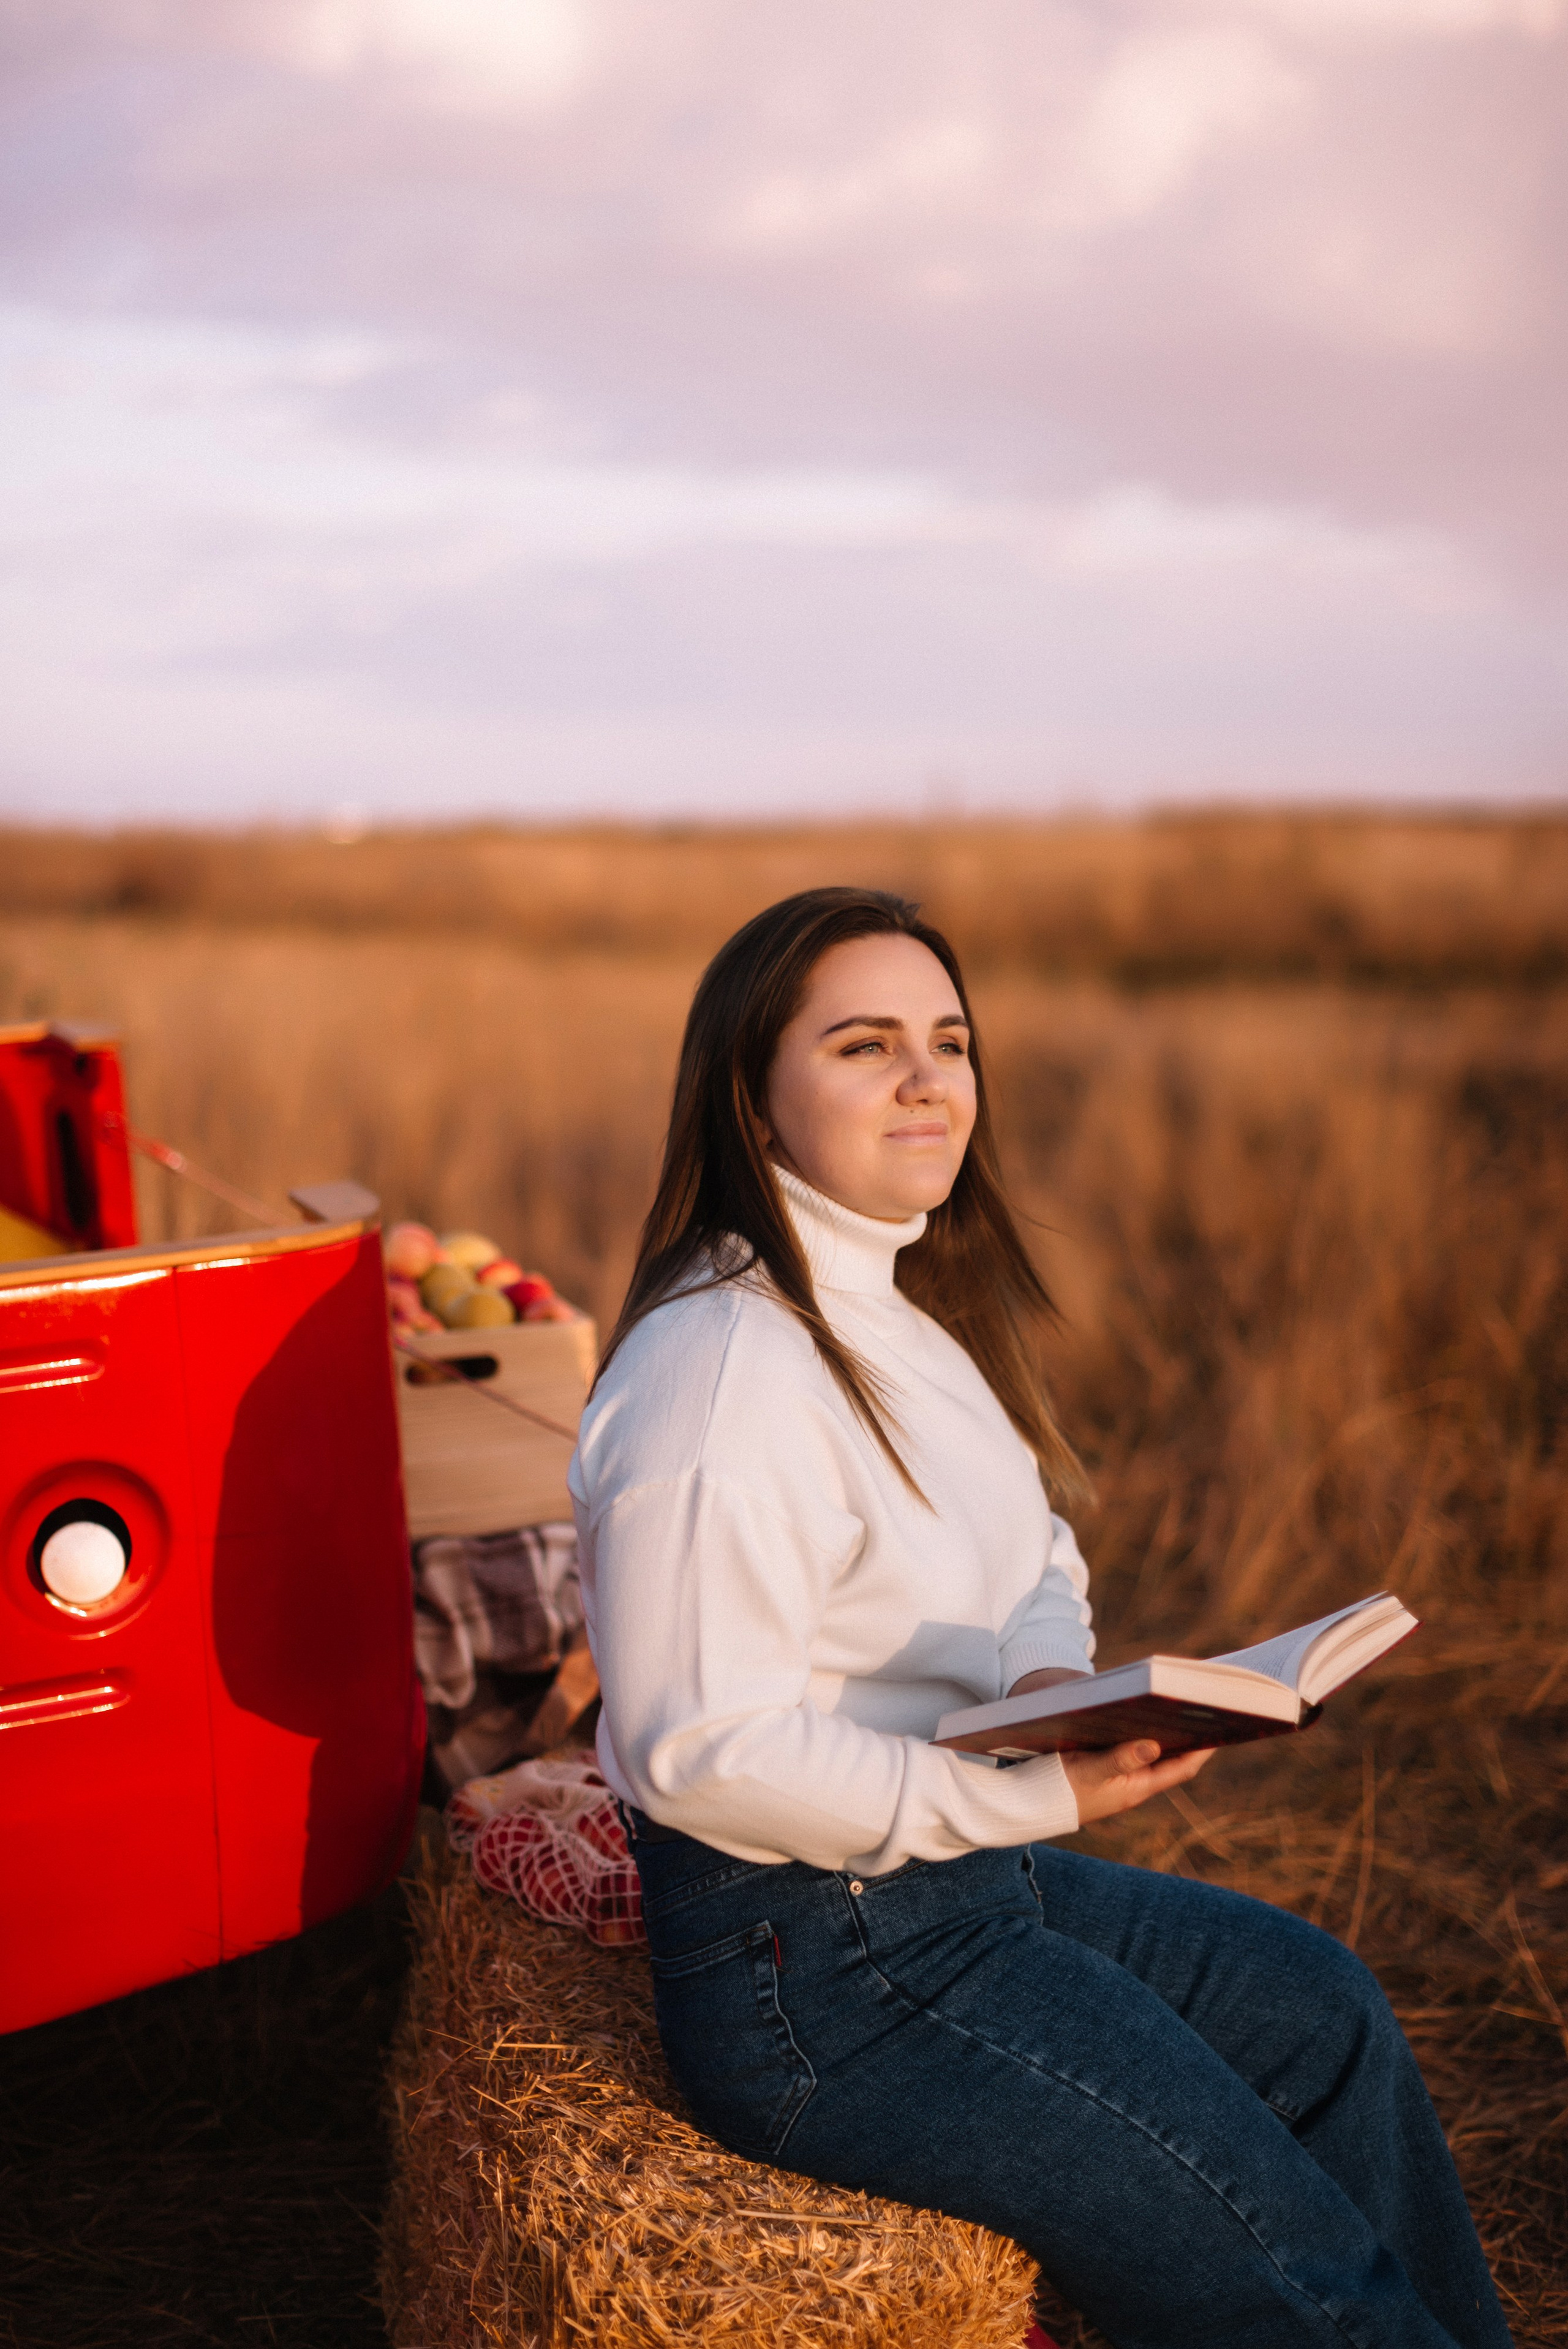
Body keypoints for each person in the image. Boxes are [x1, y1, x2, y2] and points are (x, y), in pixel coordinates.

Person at [568, 886, 1510, 2349]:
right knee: (1293, 2265)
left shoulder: (895, 1315)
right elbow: (701, 1747)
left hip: (958, 1890)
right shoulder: (719, 1370)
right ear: (753, 1104)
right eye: (864, 1045)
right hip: (820, 1969)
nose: (927, 1078)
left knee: (1320, 2013)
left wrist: (1054, 1680)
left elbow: (1031, 1547)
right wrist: (1024, 1792)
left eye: (947, 1040)